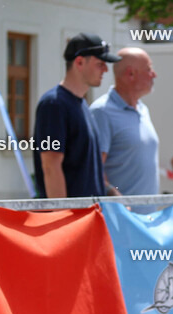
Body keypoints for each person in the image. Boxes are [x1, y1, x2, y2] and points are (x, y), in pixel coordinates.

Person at [33, 33, 118, 198]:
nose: (106, 70)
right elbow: (50, 166)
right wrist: (64, 217)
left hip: (87, 215)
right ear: (79, 62)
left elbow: (85, 168)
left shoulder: (82, 104)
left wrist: (110, 192)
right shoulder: (54, 104)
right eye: (100, 64)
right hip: (71, 218)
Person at [89, 47, 159, 196]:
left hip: (147, 217)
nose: (154, 75)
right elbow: (93, 169)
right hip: (119, 217)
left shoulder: (142, 109)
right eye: (149, 70)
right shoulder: (102, 112)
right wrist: (117, 200)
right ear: (131, 73)